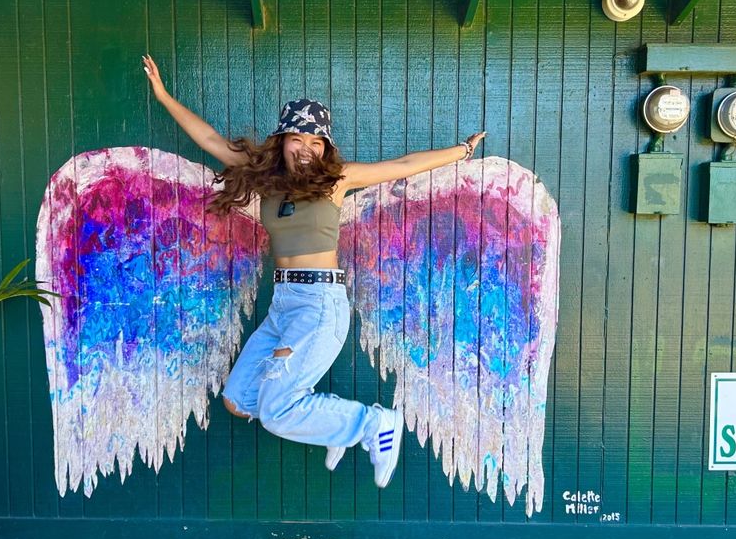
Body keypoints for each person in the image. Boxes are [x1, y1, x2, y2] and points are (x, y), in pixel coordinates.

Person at [142, 53, 485, 488]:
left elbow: (402, 166)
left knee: (276, 412)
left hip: (320, 305)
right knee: (239, 399)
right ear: (282, 140)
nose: (306, 148)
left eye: (316, 141)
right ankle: (332, 427)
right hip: (283, 305)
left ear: (325, 147)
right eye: (297, 138)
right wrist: (163, 95)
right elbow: (209, 138)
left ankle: (372, 424)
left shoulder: (337, 180)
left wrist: (462, 151)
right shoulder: (264, 178)